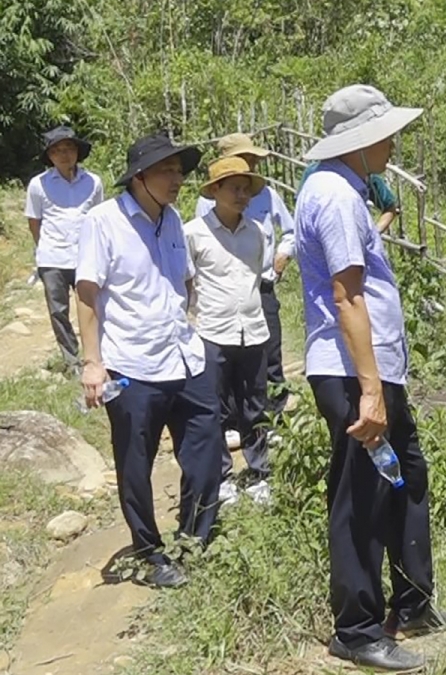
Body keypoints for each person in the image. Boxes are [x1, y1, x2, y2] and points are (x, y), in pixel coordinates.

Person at [295, 84, 446, 672]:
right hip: (353, 369)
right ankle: (357, 630)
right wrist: (369, 389)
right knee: (363, 491)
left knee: (405, 475)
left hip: (372, 366)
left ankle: (412, 601)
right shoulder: (334, 197)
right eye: (385, 134)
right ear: (357, 142)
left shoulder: (343, 190)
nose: (393, 143)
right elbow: (346, 294)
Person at [76, 133, 223, 588]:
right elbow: (86, 293)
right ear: (140, 178)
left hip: (183, 355)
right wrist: (92, 363)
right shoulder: (103, 221)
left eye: (180, 170)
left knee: (206, 451)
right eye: (168, 171)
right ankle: (151, 553)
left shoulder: (174, 219)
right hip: (131, 363)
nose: (178, 179)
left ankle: (193, 542)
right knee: (135, 463)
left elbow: (184, 284)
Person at [185, 157, 273, 506]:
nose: (241, 195)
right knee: (215, 408)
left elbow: (256, 275)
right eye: (234, 188)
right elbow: (187, 281)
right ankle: (221, 475)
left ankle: (258, 473)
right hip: (212, 330)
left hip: (252, 329)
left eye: (246, 189)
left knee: (255, 405)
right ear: (215, 191)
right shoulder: (194, 233)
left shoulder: (256, 233)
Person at [194, 133, 295, 437]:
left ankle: (272, 420)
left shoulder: (266, 195)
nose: (250, 164)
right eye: (244, 158)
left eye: (251, 159)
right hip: (223, 294)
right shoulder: (205, 205)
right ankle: (233, 423)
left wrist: (281, 257)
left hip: (260, 284)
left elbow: (289, 232)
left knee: (269, 354)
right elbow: (206, 246)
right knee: (225, 364)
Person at [24, 126, 104, 374]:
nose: (63, 154)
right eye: (57, 150)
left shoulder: (93, 182)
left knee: (95, 306)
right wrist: (44, 249)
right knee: (58, 311)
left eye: (68, 148)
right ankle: (72, 362)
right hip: (53, 256)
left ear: (77, 152)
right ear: (50, 156)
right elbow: (34, 222)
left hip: (86, 255)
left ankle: (98, 356)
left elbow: (99, 218)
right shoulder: (39, 185)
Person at [300, 161, 401, 233]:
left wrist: (374, 234)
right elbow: (301, 211)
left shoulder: (363, 172)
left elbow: (389, 207)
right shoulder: (313, 171)